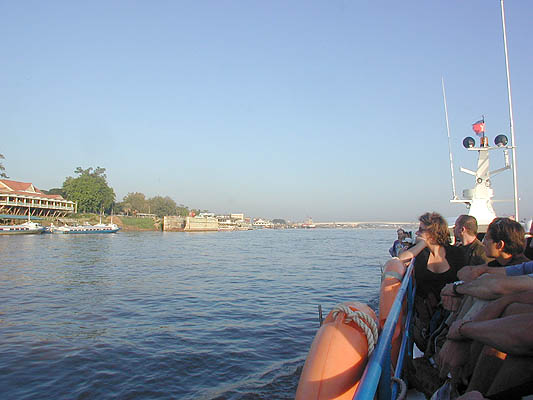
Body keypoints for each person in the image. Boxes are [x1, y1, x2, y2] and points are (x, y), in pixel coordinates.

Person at [406, 212, 468, 353]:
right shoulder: (419, 254)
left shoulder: (456, 254)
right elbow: (401, 258)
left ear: (433, 233)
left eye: (421, 229)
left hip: (451, 310)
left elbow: (463, 279)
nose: (417, 232)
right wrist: (421, 244)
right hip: (427, 312)